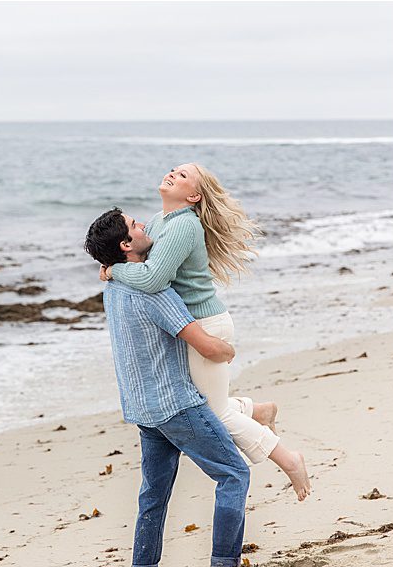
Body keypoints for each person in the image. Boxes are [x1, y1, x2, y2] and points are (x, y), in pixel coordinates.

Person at [100, 164, 310, 501]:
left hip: (204, 326)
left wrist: (115, 271)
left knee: (212, 415)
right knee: (207, 407)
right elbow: (141, 263)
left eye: (183, 176)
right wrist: (116, 266)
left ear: (194, 196)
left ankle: (289, 459)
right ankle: (257, 411)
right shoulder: (159, 220)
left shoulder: (184, 225)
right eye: (173, 170)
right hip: (189, 324)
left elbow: (153, 279)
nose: (172, 175)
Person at [85, 207, 260, 567]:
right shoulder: (154, 292)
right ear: (126, 246)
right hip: (175, 403)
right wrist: (228, 348)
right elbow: (206, 346)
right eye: (134, 225)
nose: (143, 223)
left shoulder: (112, 287)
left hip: (142, 407)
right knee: (233, 475)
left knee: (153, 493)